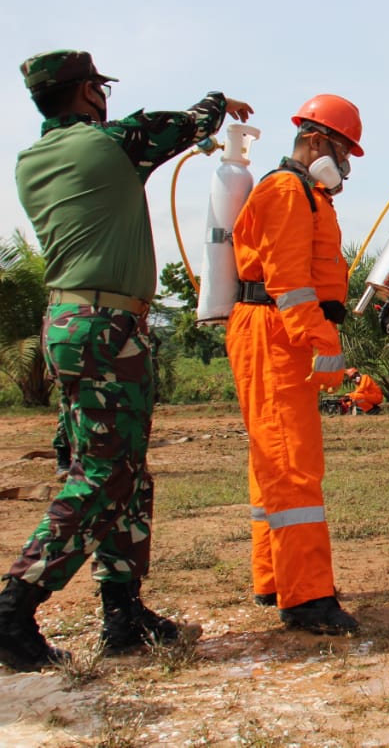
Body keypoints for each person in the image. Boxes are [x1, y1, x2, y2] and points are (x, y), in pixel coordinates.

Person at [1, 50, 251, 672]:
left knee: (125, 474)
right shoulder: (109, 145)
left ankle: (123, 614)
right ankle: (13, 605)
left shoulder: (32, 159)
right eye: (99, 88)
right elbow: (193, 120)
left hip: (71, 324)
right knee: (105, 474)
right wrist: (222, 104)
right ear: (88, 92)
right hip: (105, 329)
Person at [226, 95, 362, 634]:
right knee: (291, 463)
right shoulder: (287, 190)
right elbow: (288, 281)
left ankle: (276, 576)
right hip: (276, 332)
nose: (347, 162)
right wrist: (323, 339)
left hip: (276, 330)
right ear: (313, 140)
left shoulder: (309, 194)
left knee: (274, 463)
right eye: (343, 148)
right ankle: (305, 597)